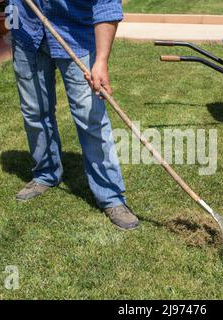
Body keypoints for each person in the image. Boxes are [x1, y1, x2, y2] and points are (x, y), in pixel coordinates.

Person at [9, 0, 139, 231]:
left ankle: (110, 196)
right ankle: (45, 173)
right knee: (34, 110)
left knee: (91, 118)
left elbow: (106, 6)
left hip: (76, 34)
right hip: (27, 30)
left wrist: (100, 61)